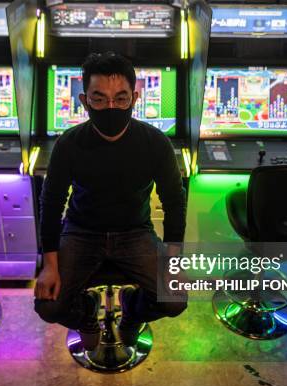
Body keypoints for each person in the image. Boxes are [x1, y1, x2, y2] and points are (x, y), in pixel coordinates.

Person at [34, 52, 187, 351]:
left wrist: (173, 261)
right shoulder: (69, 143)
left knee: (176, 299)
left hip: (135, 232)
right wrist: (48, 265)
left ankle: (131, 311)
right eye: (99, 99)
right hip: (81, 231)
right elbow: (50, 204)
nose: (111, 106)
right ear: (84, 101)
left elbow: (174, 202)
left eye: (121, 98)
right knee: (48, 307)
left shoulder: (155, 142)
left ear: (135, 97)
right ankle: (88, 312)